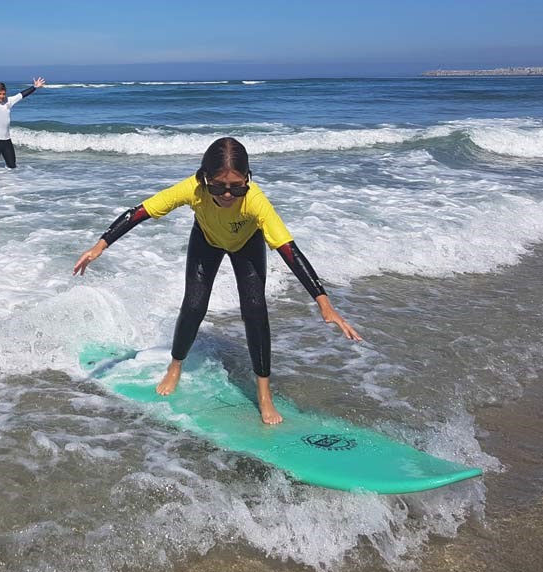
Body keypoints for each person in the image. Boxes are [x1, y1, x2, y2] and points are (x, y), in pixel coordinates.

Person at [73, 137, 362, 425]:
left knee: (255, 312)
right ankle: (175, 367)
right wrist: (101, 244)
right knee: (194, 306)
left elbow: (289, 251)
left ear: (248, 179)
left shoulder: (255, 202)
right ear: (204, 178)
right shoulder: (192, 189)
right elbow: (141, 211)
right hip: (207, 241)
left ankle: (264, 395)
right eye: (218, 187)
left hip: (247, 244)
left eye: (237, 187)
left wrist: (324, 304)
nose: (227, 195)